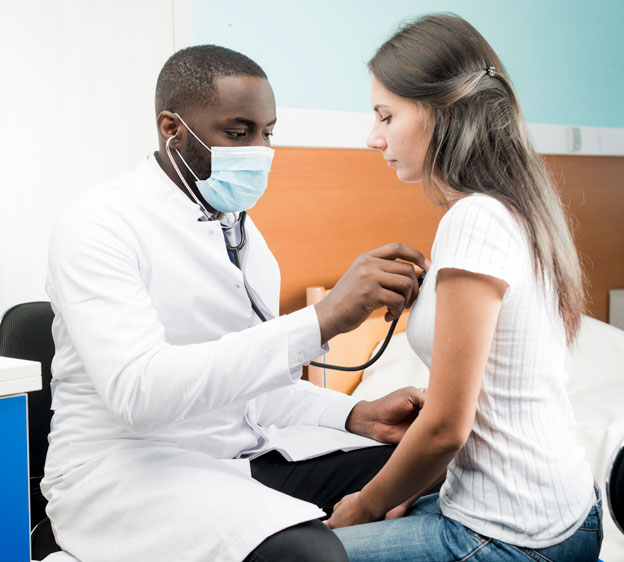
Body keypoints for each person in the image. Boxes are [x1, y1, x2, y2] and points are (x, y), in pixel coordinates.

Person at [42, 46, 430, 562]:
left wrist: (356, 414)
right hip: (128, 471)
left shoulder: (245, 240)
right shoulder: (99, 224)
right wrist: (322, 319)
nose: (260, 149)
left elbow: (252, 392)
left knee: (428, 470)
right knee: (308, 554)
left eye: (268, 132)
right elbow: (139, 395)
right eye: (237, 131)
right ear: (171, 128)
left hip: (236, 459)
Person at [329, 13, 603, 562]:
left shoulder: (474, 219)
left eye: (386, 114)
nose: (372, 136)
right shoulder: (516, 211)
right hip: (565, 514)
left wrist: (364, 505)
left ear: (441, 112)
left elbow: (445, 430)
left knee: (296, 553)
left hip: (510, 535)